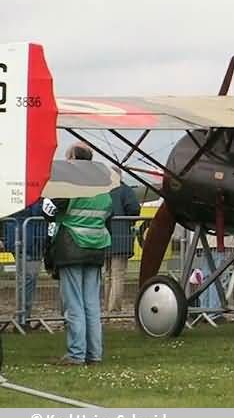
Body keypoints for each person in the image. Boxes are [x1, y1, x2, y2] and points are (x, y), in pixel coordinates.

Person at [44, 143, 113, 366]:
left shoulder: (71, 186)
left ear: (74, 159)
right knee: (92, 305)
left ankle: (76, 354)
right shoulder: (103, 188)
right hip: (97, 247)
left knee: (74, 305)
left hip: (72, 246)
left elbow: (51, 212)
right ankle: (95, 354)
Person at [1, 199, 47, 329]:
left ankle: (24, 317)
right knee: (27, 279)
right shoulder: (21, 198)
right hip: (25, 240)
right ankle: (23, 319)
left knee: (28, 280)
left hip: (35, 241)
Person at [105, 167, 140, 313]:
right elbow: (133, 209)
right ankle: (114, 308)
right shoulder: (125, 190)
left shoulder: (102, 190)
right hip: (121, 237)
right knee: (118, 274)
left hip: (104, 237)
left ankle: (106, 305)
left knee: (107, 274)